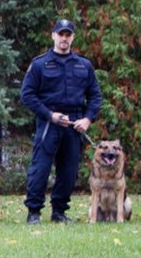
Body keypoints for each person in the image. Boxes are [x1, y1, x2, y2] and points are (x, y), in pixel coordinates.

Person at [20, 19, 102, 225]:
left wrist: (87, 118)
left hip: (74, 124)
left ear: (73, 37)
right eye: (60, 34)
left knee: (69, 171)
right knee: (41, 169)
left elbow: (95, 95)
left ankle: (59, 212)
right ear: (53, 36)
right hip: (50, 123)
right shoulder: (40, 64)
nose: (64, 38)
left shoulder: (84, 65)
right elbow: (27, 95)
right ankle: (34, 212)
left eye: (68, 34)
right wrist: (50, 115)